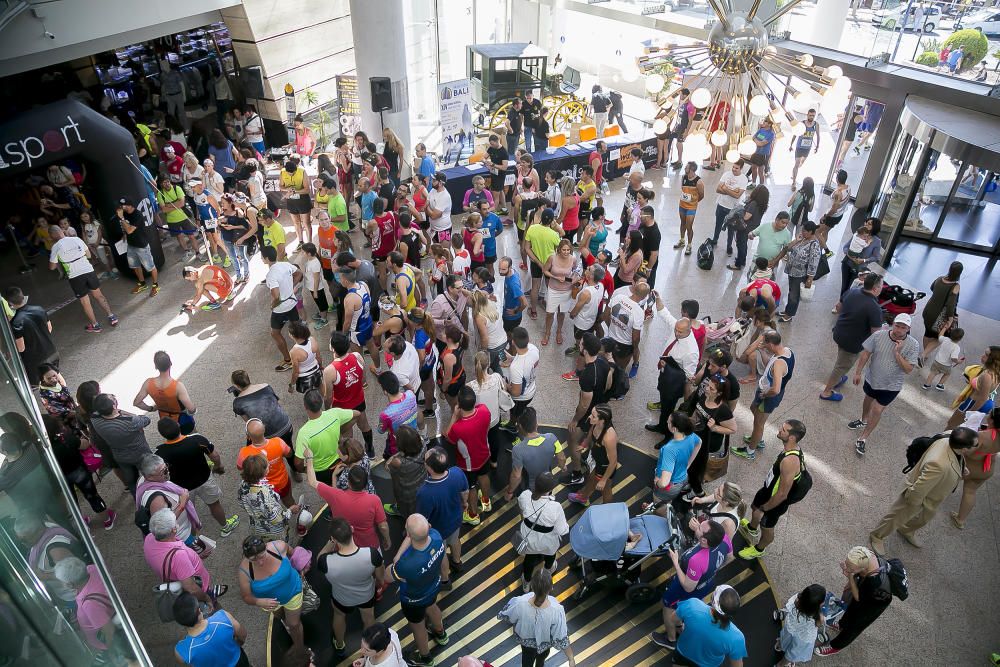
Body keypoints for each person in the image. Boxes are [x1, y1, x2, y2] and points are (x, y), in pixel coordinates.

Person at [868, 426, 978, 554]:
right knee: (897, 516)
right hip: (919, 496)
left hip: (933, 495)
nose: (978, 446)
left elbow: (957, 457)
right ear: (964, 449)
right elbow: (920, 488)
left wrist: (961, 467)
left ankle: (906, 529)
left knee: (923, 519)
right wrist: (911, 505)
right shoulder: (939, 465)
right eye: (976, 445)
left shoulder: (950, 436)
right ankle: (877, 536)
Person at [649, 520, 730, 650]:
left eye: (699, 527)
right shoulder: (724, 538)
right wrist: (711, 570)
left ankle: (671, 640)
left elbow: (688, 586)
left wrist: (675, 562)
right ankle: (680, 626)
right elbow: (730, 557)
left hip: (685, 589)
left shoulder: (697, 560)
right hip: (706, 584)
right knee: (683, 611)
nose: (696, 525)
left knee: (668, 608)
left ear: (704, 541)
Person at [848, 314, 920, 455]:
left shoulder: (913, 345)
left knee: (877, 410)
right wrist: (858, 372)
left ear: (908, 329)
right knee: (867, 400)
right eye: (897, 325)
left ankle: (863, 438)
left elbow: (908, 370)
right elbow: (865, 354)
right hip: (872, 379)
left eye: (903, 327)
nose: (899, 330)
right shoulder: (879, 335)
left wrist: (897, 353)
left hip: (891, 386)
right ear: (893, 324)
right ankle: (863, 419)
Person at [737, 420, 810, 560]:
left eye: (783, 430)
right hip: (768, 489)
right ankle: (752, 529)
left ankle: (759, 549)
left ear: (792, 437)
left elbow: (782, 494)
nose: (780, 430)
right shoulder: (790, 448)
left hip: (775, 500)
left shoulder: (790, 461)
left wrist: (765, 508)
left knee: (767, 526)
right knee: (755, 507)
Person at [156, 418, 240, 537]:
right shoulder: (197, 439)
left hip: (182, 489)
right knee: (214, 504)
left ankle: (194, 539)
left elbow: (160, 475)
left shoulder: (159, 453)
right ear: (178, 426)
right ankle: (225, 527)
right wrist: (218, 466)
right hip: (204, 479)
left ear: (162, 434)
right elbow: (214, 455)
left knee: (188, 512)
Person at [316, 518, 384, 657]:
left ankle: (340, 645)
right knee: (368, 618)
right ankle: (369, 645)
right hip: (366, 596)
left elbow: (319, 557)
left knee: (339, 616)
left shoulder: (326, 562)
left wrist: (330, 542)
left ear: (334, 539)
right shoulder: (371, 554)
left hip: (341, 599)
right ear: (352, 529)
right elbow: (380, 578)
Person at [389, 514, 448, 667]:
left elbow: (387, 577)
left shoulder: (406, 564)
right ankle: (440, 634)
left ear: (407, 534)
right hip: (433, 588)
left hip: (413, 600)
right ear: (429, 526)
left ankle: (426, 658)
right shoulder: (436, 537)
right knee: (432, 607)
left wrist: (397, 557)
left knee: (418, 627)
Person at [814, 546, 892, 657]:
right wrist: (851, 570)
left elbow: (858, 597)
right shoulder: (865, 555)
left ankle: (836, 646)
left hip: (873, 604)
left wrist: (850, 576)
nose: (847, 568)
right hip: (866, 592)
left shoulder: (875, 583)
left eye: (851, 568)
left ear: (863, 569)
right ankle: (841, 625)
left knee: (854, 626)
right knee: (851, 609)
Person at [819, 272, 885, 402]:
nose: (882, 288)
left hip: (839, 332)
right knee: (842, 366)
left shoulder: (853, 291)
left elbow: (838, 307)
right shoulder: (874, 308)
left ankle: (839, 377)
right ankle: (827, 392)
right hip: (853, 343)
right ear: (876, 289)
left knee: (841, 358)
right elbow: (875, 334)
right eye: (881, 286)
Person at [144, 509, 226, 611]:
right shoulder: (179, 556)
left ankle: (210, 592)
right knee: (213, 609)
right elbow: (191, 589)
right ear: (173, 530)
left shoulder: (149, 538)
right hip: (199, 588)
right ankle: (213, 605)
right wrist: (206, 598)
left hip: (177, 577)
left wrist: (196, 557)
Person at [498, 567, 576, 667]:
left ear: (532, 585)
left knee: (526, 662)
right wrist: (571, 658)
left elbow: (509, 616)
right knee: (541, 661)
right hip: (545, 646)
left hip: (526, 646)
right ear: (551, 588)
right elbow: (561, 636)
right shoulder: (557, 610)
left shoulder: (519, 602)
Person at [237, 535, 304, 651]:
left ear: (266, 547)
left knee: (294, 624)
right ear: (246, 557)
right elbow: (246, 596)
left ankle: (300, 649)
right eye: (254, 559)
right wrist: (258, 601)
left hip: (293, 592)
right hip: (270, 603)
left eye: (262, 556)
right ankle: (286, 623)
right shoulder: (244, 571)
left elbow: (293, 553)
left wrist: (300, 565)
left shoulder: (279, 546)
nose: (260, 562)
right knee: (282, 617)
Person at [734, 331, 795, 458]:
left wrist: (765, 394)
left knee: (758, 424)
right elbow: (770, 365)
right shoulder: (787, 351)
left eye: (765, 345)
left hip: (768, 396)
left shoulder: (779, 363)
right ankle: (757, 437)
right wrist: (762, 351)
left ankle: (750, 451)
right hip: (765, 392)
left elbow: (776, 389)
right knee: (753, 409)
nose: (764, 347)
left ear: (771, 345)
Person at [415, 446, 468, 590]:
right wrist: (464, 504)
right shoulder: (457, 472)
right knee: (455, 540)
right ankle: (457, 562)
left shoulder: (425, 493)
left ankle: (445, 580)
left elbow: (422, 519)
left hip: (439, 530)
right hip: (456, 520)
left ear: (430, 468)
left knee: (441, 552)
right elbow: (465, 491)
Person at [48, 226, 118, 332]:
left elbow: (52, 267)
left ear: (52, 236)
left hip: (75, 276)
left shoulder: (55, 247)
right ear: (62, 231)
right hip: (88, 270)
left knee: (85, 302)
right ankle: (111, 316)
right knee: (99, 295)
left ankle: (95, 325)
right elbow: (89, 255)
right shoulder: (76, 239)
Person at [647, 295, 701, 431]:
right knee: (663, 395)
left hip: (674, 382)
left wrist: (669, 368)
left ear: (689, 330)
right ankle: (662, 410)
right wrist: (658, 298)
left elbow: (688, 376)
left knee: (668, 408)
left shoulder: (691, 351)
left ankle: (664, 429)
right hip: (665, 373)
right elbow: (665, 313)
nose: (676, 333)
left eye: (680, 332)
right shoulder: (678, 327)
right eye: (676, 330)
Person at [664, 585, 748, 665]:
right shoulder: (737, 638)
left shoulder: (692, 605)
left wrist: (680, 627)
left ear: (713, 599)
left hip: (683, 653)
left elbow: (673, 619)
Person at [445, 386, 493, 524]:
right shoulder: (484, 410)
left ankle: (473, 515)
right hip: (484, 454)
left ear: (458, 405)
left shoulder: (458, 427)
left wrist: (454, 416)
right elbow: (487, 426)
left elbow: (448, 436)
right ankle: (486, 501)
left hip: (468, 464)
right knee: (484, 476)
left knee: (471, 487)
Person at [323, 332, 376, 456]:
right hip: (359, 400)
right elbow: (363, 380)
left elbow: (328, 396)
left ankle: (352, 457)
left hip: (342, 408)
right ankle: (370, 450)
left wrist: (327, 411)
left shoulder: (330, 370)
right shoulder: (357, 356)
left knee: (347, 434)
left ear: (332, 348)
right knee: (364, 425)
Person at [294, 389, 360, 484]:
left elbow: (298, 463)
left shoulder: (304, 433)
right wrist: (341, 431)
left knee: (330, 493)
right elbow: (357, 414)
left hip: (320, 471)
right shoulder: (335, 413)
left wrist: (305, 470)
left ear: (305, 406)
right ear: (321, 402)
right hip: (339, 461)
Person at [90, 393, 151, 494]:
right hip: (141, 454)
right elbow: (146, 420)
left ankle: (138, 499)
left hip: (120, 456)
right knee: (150, 475)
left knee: (131, 482)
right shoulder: (131, 421)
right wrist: (123, 412)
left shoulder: (94, 418)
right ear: (114, 406)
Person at [687, 375, 737, 499]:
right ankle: (690, 483)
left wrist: (715, 428)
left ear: (719, 393)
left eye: (712, 388)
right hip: (696, 437)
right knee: (691, 464)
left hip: (707, 445)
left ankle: (697, 492)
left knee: (697, 469)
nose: (707, 389)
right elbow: (697, 412)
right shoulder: (705, 396)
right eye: (708, 386)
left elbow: (733, 429)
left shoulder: (723, 410)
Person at [951, 407, 1000, 528]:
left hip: (969, 467)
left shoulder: (983, 435)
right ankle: (960, 520)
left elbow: (968, 452)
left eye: (989, 414)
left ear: (992, 421)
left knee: (947, 481)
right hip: (986, 470)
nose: (987, 415)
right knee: (970, 492)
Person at [172, 592, 249, 667]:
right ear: (199, 611)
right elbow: (243, 634)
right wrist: (239, 643)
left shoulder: (181, 650)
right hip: (239, 662)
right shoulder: (223, 617)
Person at [261, 246, 303, 372]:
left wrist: (273, 304)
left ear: (267, 259)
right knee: (297, 328)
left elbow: (276, 294)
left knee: (275, 333)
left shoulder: (271, 274)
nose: (261, 259)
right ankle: (305, 352)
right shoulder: (285, 264)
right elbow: (299, 273)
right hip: (292, 303)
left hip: (280, 309)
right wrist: (291, 287)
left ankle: (288, 360)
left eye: (262, 257)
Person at [4, 286, 57, 386]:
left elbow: (21, 348)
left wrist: (9, 352)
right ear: (22, 297)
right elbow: (49, 328)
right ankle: (67, 398)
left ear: (10, 303)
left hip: (36, 361)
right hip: (52, 351)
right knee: (56, 377)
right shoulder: (39, 309)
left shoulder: (16, 322)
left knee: (46, 386)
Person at [568, 404, 619, 507]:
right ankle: (583, 497)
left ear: (602, 420)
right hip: (597, 460)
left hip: (604, 467)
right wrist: (584, 444)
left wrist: (604, 480)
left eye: (593, 416)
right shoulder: (596, 424)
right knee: (592, 479)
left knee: (605, 489)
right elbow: (591, 433)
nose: (589, 417)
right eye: (591, 414)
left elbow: (613, 462)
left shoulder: (609, 437)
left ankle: (607, 509)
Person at [133, 351, 197, 433]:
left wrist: (151, 408)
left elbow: (136, 402)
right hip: (182, 420)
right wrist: (194, 410)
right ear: (170, 363)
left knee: (172, 439)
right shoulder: (178, 386)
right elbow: (191, 409)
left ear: (156, 366)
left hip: (165, 420)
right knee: (192, 437)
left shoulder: (148, 383)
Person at [237, 452, 298, 538]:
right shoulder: (264, 495)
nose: (269, 465)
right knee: (280, 547)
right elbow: (276, 519)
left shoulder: (243, 484)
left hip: (256, 524)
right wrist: (290, 511)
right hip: (272, 531)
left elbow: (241, 503)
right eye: (267, 466)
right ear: (263, 473)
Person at [649, 411, 700, 511]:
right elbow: (699, 443)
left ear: (674, 429)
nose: (667, 423)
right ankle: (668, 503)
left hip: (668, 487)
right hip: (682, 478)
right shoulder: (691, 435)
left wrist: (657, 482)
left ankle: (662, 514)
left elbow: (664, 483)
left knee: (659, 507)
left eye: (668, 422)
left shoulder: (670, 449)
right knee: (668, 501)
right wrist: (687, 466)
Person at [774, 221, 822, 322]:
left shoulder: (814, 245)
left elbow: (814, 263)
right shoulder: (802, 239)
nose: (802, 232)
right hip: (792, 271)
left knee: (794, 295)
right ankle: (787, 310)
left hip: (801, 274)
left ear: (811, 232)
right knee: (791, 292)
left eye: (804, 231)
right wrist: (796, 240)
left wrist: (810, 278)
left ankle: (789, 315)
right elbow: (788, 248)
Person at [113, 199, 160, 295]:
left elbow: (130, 230)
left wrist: (121, 218)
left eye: (124, 205)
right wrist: (124, 234)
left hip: (141, 245)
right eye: (121, 205)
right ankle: (142, 284)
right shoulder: (125, 214)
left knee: (150, 267)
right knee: (135, 266)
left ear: (130, 205)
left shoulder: (137, 215)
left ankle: (155, 285)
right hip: (131, 245)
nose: (122, 207)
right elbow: (126, 229)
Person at [919, 260, 962, 364]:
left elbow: (932, 288)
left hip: (928, 311)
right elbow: (950, 305)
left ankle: (925, 355)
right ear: (959, 273)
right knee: (943, 336)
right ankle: (924, 354)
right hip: (938, 317)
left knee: (928, 333)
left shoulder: (939, 278)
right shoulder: (955, 286)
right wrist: (950, 319)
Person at [523, 208, 562, 320]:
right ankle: (549, 308)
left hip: (535, 262)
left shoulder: (532, 228)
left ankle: (533, 310)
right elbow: (557, 251)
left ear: (541, 218)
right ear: (551, 221)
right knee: (550, 287)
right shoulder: (554, 234)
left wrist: (538, 262)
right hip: (550, 264)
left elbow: (527, 248)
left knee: (535, 286)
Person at [605, 281, 650, 377]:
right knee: (620, 369)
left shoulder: (618, 297)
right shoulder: (638, 312)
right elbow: (635, 337)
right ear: (644, 297)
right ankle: (616, 385)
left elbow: (605, 315)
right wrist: (635, 347)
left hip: (611, 337)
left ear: (634, 289)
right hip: (625, 344)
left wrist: (612, 327)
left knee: (609, 361)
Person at [776, 584, 826, 667]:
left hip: (791, 627)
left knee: (785, 637)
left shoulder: (796, 601)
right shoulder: (819, 617)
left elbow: (790, 606)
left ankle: (779, 646)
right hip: (803, 637)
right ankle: (780, 665)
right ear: (820, 604)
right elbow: (818, 625)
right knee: (793, 652)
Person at [726, 184, 769, 272]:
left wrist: (740, 211)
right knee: (744, 244)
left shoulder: (753, 203)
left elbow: (746, 217)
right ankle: (742, 261)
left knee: (740, 244)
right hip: (753, 227)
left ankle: (738, 264)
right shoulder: (762, 205)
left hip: (745, 227)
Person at [504, 326, 540, 427]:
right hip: (531, 389)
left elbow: (516, 392)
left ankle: (512, 426)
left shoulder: (516, 367)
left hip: (521, 398)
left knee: (515, 414)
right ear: (528, 339)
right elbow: (527, 361)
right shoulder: (534, 349)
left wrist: (505, 385)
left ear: (513, 343)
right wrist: (513, 359)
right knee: (521, 410)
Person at [674, 162, 704, 255]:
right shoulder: (684, 177)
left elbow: (702, 195)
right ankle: (682, 240)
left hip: (691, 207)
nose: (684, 168)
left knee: (689, 226)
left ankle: (689, 245)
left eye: (686, 167)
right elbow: (683, 189)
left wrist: (694, 203)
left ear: (691, 169)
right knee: (682, 223)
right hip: (682, 205)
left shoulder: (699, 182)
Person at [818, 169, 851, 255]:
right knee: (825, 232)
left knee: (817, 231)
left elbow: (834, 209)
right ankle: (821, 250)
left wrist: (825, 216)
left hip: (832, 217)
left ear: (837, 179)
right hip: (839, 215)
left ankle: (826, 251)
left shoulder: (838, 193)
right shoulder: (848, 187)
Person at [789, 108, 820, 189]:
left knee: (801, 164)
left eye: (813, 116)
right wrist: (791, 144)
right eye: (810, 115)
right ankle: (794, 182)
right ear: (807, 115)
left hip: (807, 148)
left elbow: (818, 135)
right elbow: (795, 134)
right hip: (799, 147)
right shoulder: (802, 124)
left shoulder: (816, 125)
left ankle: (794, 173)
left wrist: (817, 146)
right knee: (796, 163)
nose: (811, 117)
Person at [499, 256, 528, 335]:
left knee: (510, 334)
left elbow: (525, 303)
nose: (500, 272)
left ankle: (512, 346)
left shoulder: (513, 284)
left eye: (503, 269)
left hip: (511, 318)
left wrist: (516, 311)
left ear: (510, 267)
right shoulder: (512, 271)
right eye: (500, 268)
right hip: (508, 309)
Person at [426, 172, 454, 243]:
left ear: (441, 183)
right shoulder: (433, 190)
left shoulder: (444, 196)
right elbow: (426, 203)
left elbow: (433, 216)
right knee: (436, 250)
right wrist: (427, 208)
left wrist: (426, 208)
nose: (432, 182)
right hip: (433, 228)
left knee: (444, 251)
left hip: (443, 230)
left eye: (434, 180)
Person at [748, 117, 776, 185]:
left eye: (766, 121)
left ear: (769, 124)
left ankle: (761, 186)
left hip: (763, 154)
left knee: (761, 171)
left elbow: (761, 143)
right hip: (755, 152)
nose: (763, 122)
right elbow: (753, 137)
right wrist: (758, 142)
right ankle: (753, 183)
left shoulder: (771, 134)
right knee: (754, 168)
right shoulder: (761, 130)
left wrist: (757, 141)